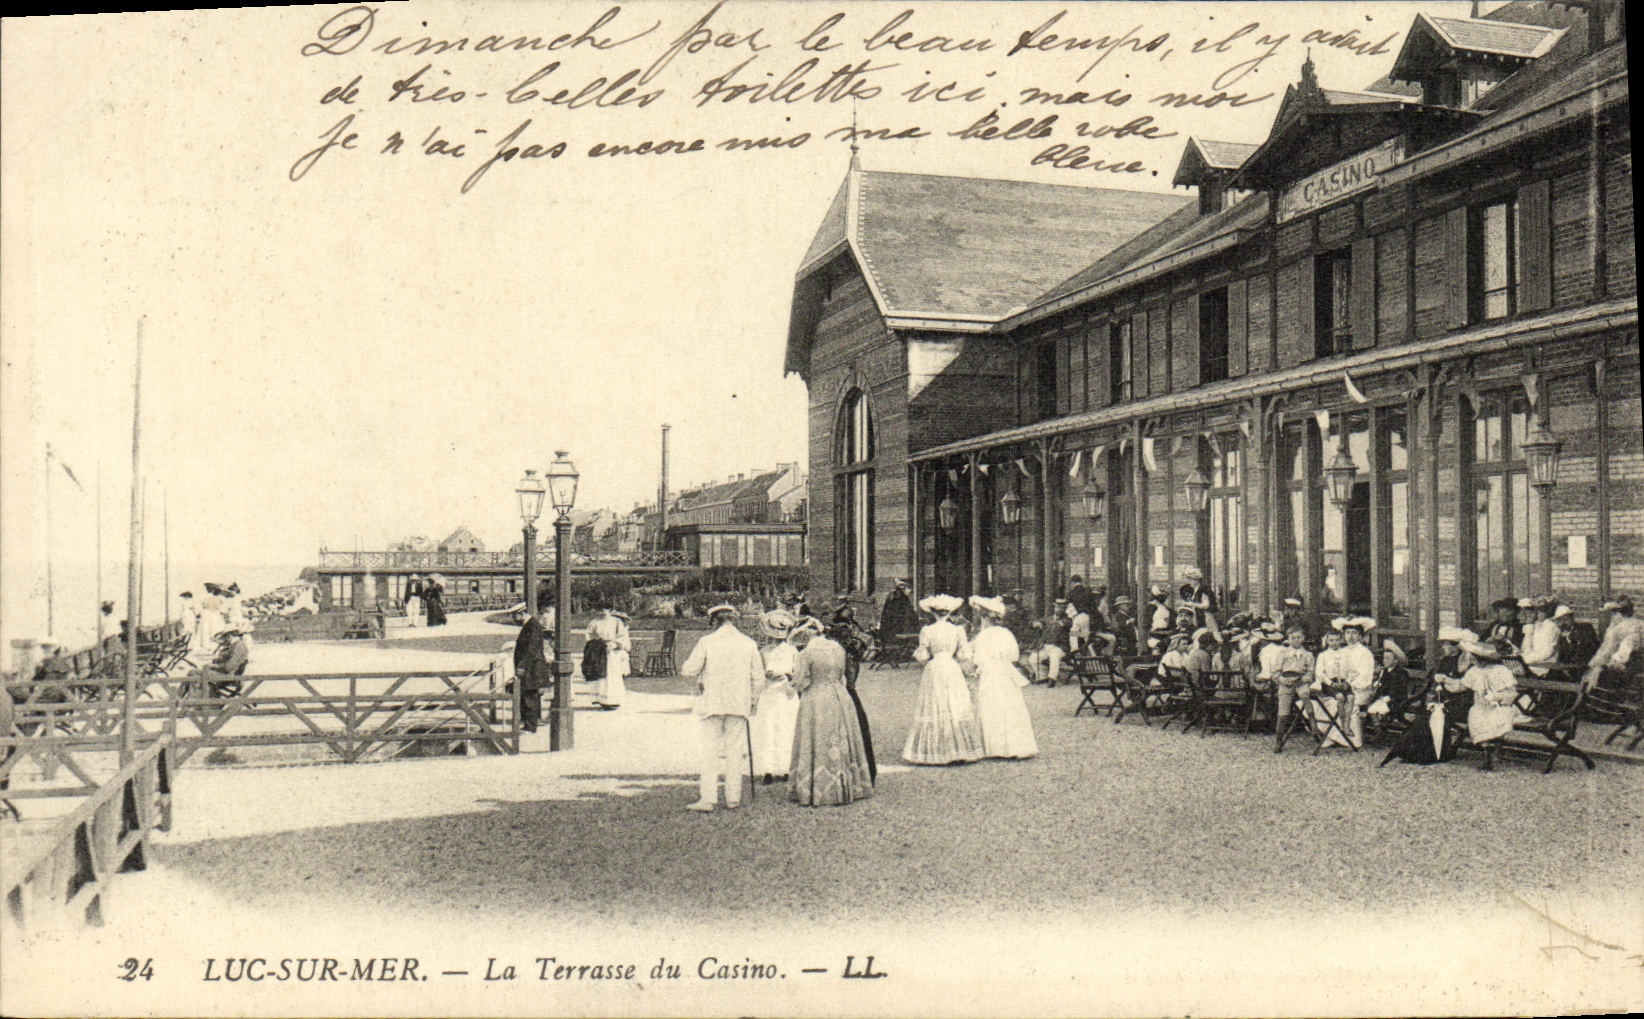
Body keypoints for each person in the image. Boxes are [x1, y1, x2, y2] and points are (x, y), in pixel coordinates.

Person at [680, 604, 765, 812]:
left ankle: (708, 799)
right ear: (733, 620)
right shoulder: (748, 643)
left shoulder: (707, 642)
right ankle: (733, 798)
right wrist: (752, 701)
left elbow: (688, 669)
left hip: (713, 704)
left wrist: (703, 674)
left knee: (710, 751)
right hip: (738, 704)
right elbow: (759, 677)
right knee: (735, 751)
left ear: (714, 621)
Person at [789, 617, 874, 806]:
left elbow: (801, 681)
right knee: (839, 737)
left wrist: (793, 683)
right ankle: (845, 784)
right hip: (839, 696)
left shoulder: (806, 653)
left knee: (817, 737)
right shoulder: (838, 649)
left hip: (816, 697)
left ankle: (816, 786)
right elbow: (842, 675)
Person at [902, 594, 985, 765]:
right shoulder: (957, 630)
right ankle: (958, 749)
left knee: (936, 703)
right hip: (951, 667)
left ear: (933, 612)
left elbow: (923, 655)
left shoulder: (927, 630)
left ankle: (935, 750)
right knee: (954, 702)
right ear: (949, 613)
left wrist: (928, 659)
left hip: (935, 668)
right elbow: (964, 654)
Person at [968, 596, 1037, 759]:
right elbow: (1014, 656)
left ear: (985, 618)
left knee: (991, 706)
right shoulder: (1006, 634)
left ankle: (995, 747)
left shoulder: (982, 636)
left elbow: (976, 659)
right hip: (1005, 673)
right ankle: (1015, 746)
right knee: (1009, 706)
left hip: (990, 673)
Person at [1310, 617, 1377, 748]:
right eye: (1347, 633)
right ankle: (1331, 735)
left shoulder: (1365, 653)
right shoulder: (1341, 651)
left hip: (1359, 690)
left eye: (1354, 633)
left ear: (1360, 635)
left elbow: (1365, 677)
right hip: (1338, 688)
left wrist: (1349, 684)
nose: (1350, 637)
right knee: (1324, 701)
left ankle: (1348, 739)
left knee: (1342, 701)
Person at [752, 610, 802, 785]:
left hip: (786, 694)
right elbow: (758, 673)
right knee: (768, 730)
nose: (779, 637)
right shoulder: (764, 652)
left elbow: (799, 674)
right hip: (769, 694)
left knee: (786, 729)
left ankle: (786, 768)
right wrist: (767, 675)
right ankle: (768, 769)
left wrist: (788, 675)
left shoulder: (793, 650)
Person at [1441, 640, 1522, 745]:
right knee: (1476, 718)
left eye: (1475, 658)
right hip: (1480, 708)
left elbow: (1511, 693)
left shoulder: (1501, 671)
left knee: (1495, 721)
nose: (1473, 661)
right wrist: (1446, 680)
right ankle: (1487, 748)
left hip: (1499, 707)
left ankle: (1492, 747)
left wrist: (1495, 697)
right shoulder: (1475, 671)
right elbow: (1461, 685)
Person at [1582, 594, 1644, 691]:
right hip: (1633, 665)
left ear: (1618, 614)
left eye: (1613, 614)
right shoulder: (1638, 624)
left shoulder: (1622, 628)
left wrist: (1596, 666)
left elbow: (1610, 651)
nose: (1612, 618)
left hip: (1626, 668)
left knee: (1593, 677)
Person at [512, 609, 550, 732]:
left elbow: (531, 649)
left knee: (530, 695)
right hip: (530, 666)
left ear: (522, 613)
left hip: (532, 667)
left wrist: (521, 666)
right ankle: (531, 722)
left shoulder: (532, 626)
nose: (514, 619)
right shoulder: (530, 625)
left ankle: (530, 725)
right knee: (530, 694)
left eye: (515, 616)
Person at [586, 606, 629, 710]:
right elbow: (589, 636)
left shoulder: (616, 621)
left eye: (605, 609)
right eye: (600, 609)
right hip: (600, 650)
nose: (602, 611)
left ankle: (614, 700)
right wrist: (596, 645)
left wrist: (614, 645)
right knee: (602, 674)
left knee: (613, 674)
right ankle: (602, 700)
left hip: (613, 650)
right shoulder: (594, 622)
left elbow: (622, 635)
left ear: (609, 610)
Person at [1029, 598, 1075, 685]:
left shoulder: (1068, 620)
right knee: (1033, 658)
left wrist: (1049, 623)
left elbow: (1062, 624)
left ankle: (1052, 678)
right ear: (1054, 608)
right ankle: (1042, 676)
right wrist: (1036, 623)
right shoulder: (1048, 618)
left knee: (1054, 656)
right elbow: (1036, 622)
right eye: (1057, 607)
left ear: (1065, 609)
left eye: (1062, 608)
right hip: (1046, 646)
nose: (1059, 609)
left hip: (1060, 647)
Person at [1517, 597, 1561, 677]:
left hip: (1545, 665)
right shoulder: (1534, 625)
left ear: (1548, 611)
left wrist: (1528, 660)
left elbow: (1548, 652)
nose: (1538, 613)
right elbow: (1525, 647)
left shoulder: (1552, 627)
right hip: (1530, 663)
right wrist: (1529, 625)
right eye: (1535, 610)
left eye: (1542, 611)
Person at [1553, 604, 1601, 668]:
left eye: (1566, 619)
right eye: (1560, 620)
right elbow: (1561, 657)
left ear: (1572, 618)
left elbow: (1591, 649)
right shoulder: (1561, 636)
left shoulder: (1585, 628)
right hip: (1570, 669)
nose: (1563, 623)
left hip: (1588, 666)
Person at [1177, 567, 1219, 636]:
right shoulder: (1192, 590)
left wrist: (1192, 604)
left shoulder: (1203, 589)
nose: (1189, 582)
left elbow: (1206, 605)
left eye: (1190, 580)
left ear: (1196, 580)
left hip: (1205, 617)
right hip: (1196, 617)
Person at [878, 579, 919, 645]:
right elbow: (907, 617)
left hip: (888, 634)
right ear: (904, 588)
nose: (910, 591)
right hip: (898, 634)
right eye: (909, 589)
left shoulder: (893, 597)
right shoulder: (901, 600)